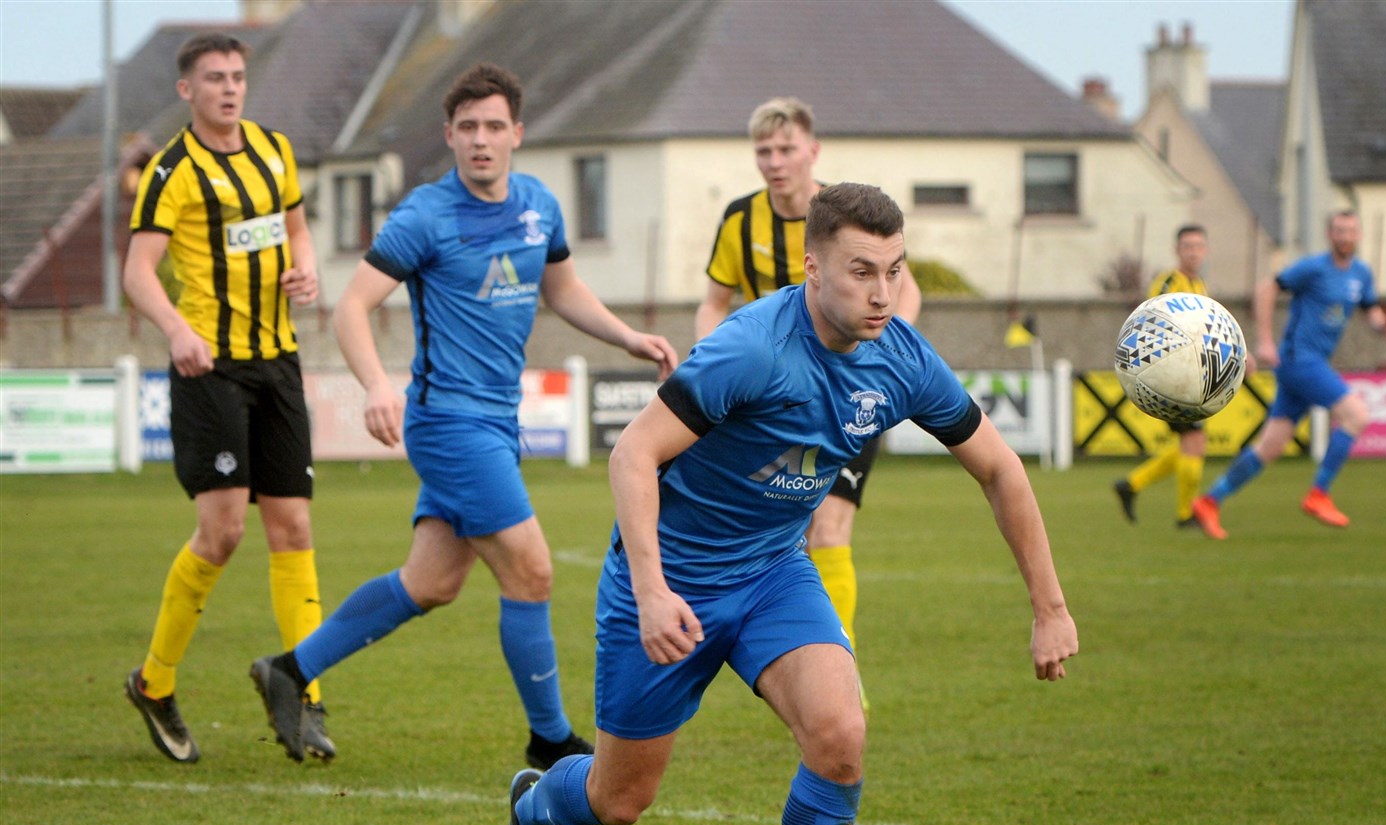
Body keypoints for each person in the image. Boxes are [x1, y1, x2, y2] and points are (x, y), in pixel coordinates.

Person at [505, 183, 1077, 825]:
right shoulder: (751, 349)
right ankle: (537, 805)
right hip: (675, 582)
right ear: (812, 268)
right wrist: (652, 590)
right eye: (859, 272)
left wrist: (1048, 608)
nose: (880, 293)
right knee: (619, 798)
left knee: (840, 734)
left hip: (775, 572)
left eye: (893, 270)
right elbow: (632, 454)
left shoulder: (902, 356)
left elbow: (999, 468)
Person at [249, 63, 677, 766]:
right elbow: (353, 305)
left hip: (494, 424)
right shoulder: (425, 214)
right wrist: (376, 387)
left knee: (431, 584)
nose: (481, 140)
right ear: (448, 136)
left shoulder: (539, 203)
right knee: (533, 571)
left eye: (494, 127)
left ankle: (288, 672)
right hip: (448, 423)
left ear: (517, 133)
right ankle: (548, 741)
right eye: (468, 128)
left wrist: (627, 336)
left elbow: (562, 290)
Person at [122, 33, 325, 764]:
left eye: (238, 77)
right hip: (210, 365)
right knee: (223, 533)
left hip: (278, 360)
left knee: (294, 527)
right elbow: (137, 272)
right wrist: (176, 328)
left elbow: (298, 232)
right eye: (214, 79)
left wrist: (306, 273)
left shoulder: (273, 149)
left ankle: (302, 693)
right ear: (187, 90)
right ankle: (154, 681)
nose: (230, 89)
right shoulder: (171, 171)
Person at [694, 98, 922, 707]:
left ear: (812, 151)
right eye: (764, 151)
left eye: (786, 148)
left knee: (830, 526)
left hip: (848, 401)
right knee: (770, 534)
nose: (774, 162)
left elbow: (905, 294)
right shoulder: (741, 220)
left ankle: (840, 670)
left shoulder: (849, 218)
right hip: (765, 409)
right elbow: (714, 301)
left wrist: (885, 365)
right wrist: (708, 360)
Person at [1191, 211, 1386, 539]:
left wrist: (1384, 325)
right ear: (1329, 235)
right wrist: (1263, 340)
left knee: (1271, 447)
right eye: (1339, 230)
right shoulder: (1313, 267)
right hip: (1300, 359)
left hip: (1311, 362)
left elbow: (1370, 310)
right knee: (1356, 415)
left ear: (1358, 235)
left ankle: (1209, 500)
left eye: (1350, 231)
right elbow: (1266, 289)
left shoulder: (1361, 273)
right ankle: (1319, 494)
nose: (1345, 236)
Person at [1114, 224, 1211, 528]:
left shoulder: (1200, 287)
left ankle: (1132, 484)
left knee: (1190, 443)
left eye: (1198, 246)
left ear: (1204, 250)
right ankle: (1185, 515)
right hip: (1171, 377)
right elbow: (1152, 322)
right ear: (1177, 250)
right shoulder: (1168, 283)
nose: (1193, 252)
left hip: (1192, 376)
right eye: (1187, 246)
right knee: (1194, 441)